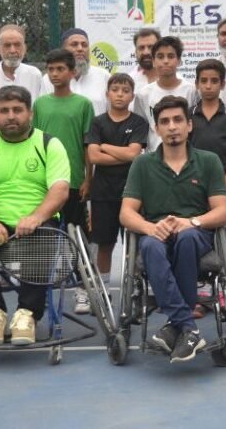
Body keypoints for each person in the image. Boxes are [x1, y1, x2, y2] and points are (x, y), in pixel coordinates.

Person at [120, 96, 226, 363]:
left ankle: (176, 324)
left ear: (189, 125)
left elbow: (222, 212)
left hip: (195, 233)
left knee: (187, 238)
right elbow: (126, 213)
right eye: (165, 121)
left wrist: (192, 222)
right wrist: (149, 227)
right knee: (150, 245)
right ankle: (187, 327)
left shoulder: (209, 161)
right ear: (156, 128)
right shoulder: (143, 164)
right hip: (157, 232)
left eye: (178, 120)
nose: (172, 126)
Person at [0, 85, 70, 346]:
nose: (11, 116)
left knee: (43, 234)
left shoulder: (49, 144)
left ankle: (27, 314)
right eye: (4, 111)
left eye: (17, 110)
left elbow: (60, 189)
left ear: (30, 113)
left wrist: (36, 217)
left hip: (36, 222)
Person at [33, 49, 95, 314]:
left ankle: (83, 290)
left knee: (78, 237)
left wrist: (88, 179)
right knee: (42, 238)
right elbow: (34, 142)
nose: (55, 74)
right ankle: (38, 293)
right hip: (43, 184)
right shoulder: (40, 104)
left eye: (60, 69)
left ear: (72, 72)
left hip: (74, 182)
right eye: (51, 69)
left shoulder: (83, 104)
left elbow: (88, 145)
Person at [189, 59, 226, 317]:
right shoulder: (189, 114)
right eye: (204, 81)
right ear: (197, 84)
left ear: (222, 84)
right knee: (198, 239)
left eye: (214, 81)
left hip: (223, 190)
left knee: (224, 240)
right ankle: (201, 294)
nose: (208, 85)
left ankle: (224, 292)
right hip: (195, 190)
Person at [85, 73, 148, 293]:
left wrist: (105, 146)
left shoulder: (139, 122)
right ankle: (103, 290)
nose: (120, 94)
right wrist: (123, 154)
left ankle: (136, 286)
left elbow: (134, 154)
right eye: (115, 90)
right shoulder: (97, 122)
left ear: (132, 96)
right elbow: (94, 157)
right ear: (107, 94)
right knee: (105, 244)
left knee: (135, 243)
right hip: (103, 193)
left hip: (133, 192)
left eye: (125, 91)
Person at [133, 36, 198, 152]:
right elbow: (139, 130)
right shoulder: (143, 94)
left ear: (179, 61)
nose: (166, 61)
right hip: (154, 157)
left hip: (185, 155)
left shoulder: (192, 91)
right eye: (160, 56)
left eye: (171, 56)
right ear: (153, 61)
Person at [39, 28, 111, 116]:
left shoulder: (103, 76)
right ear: (63, 49)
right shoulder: (49, 79)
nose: (80, 49)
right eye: (74, 44)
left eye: (84, 45)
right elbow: (44, 111)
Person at [0, 24, 43, 100]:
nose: (12, 50)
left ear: (25, 48)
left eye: (17, 45)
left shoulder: (34, 75)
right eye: (7, 45)